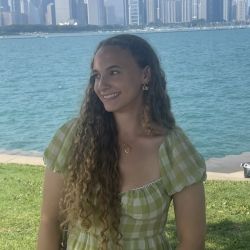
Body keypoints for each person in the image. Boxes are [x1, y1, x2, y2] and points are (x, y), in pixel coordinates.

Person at [37, 34, 206, 250]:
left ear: (145, 75)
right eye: (97, 75)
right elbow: (49, 221)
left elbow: (192, 241)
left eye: (114, 72)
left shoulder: (173, 148)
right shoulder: (73, 137)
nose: (102, 85)